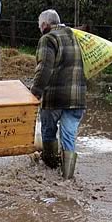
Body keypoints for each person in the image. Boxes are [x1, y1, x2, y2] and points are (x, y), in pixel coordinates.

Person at [30, 9, 86, 179]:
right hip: (77, 97)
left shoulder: (48, 39)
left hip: (54, 97)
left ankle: (49, 170)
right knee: (69, 136)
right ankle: (67, 178)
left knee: (48, 132)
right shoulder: (75, 36)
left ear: (45, 25)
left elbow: (44, 68)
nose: (40, 29)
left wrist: (35, 93)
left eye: (40, 26)